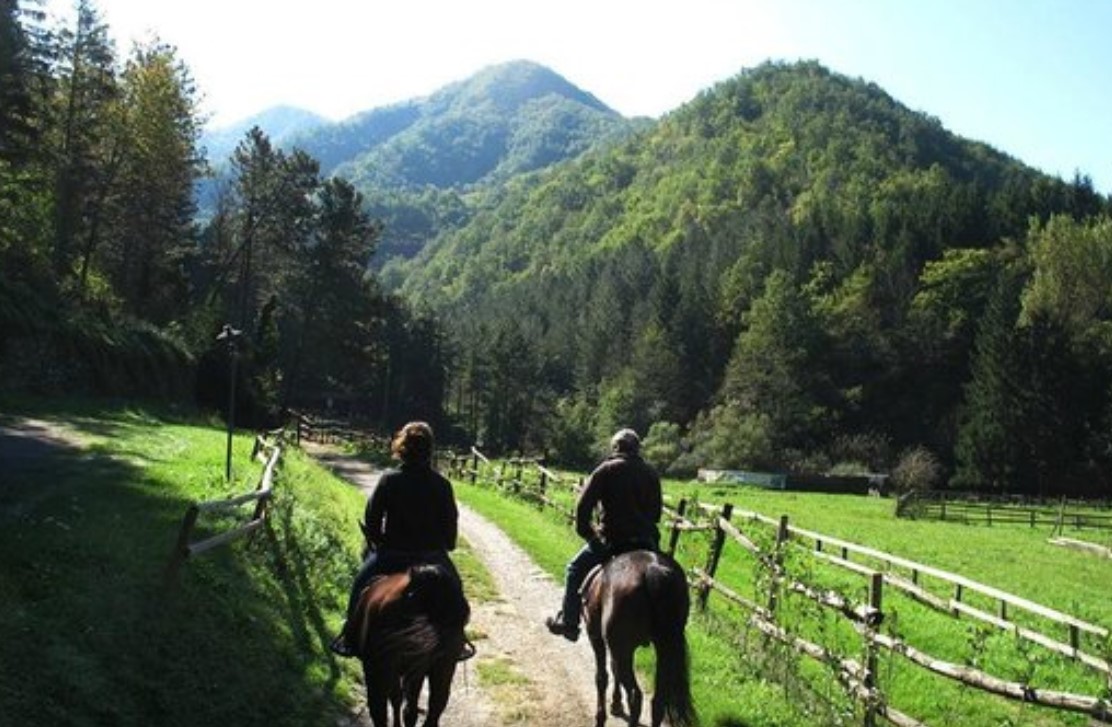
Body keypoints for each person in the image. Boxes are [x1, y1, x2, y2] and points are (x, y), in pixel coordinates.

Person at [330, 421, 463, 658]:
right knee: (455, 591)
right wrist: (447, 545)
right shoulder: (442, 485)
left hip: (392, 554)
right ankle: (457, 639)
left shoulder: (389, 480)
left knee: (360, 587)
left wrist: (379, 541)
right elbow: (450, 524)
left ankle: (349, 637)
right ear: (430, 450)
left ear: (402, 447)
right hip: (432, 556)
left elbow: (372, 519)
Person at [545, 428, 662, 642]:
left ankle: (569, 623)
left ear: (615, 447)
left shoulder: (605, 470)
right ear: (637, 448)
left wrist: (592, 539)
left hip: (613, 542)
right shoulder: (651, 473)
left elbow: (582, 512)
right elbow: (656, 514)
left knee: (574, 570)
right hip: (646, 543)